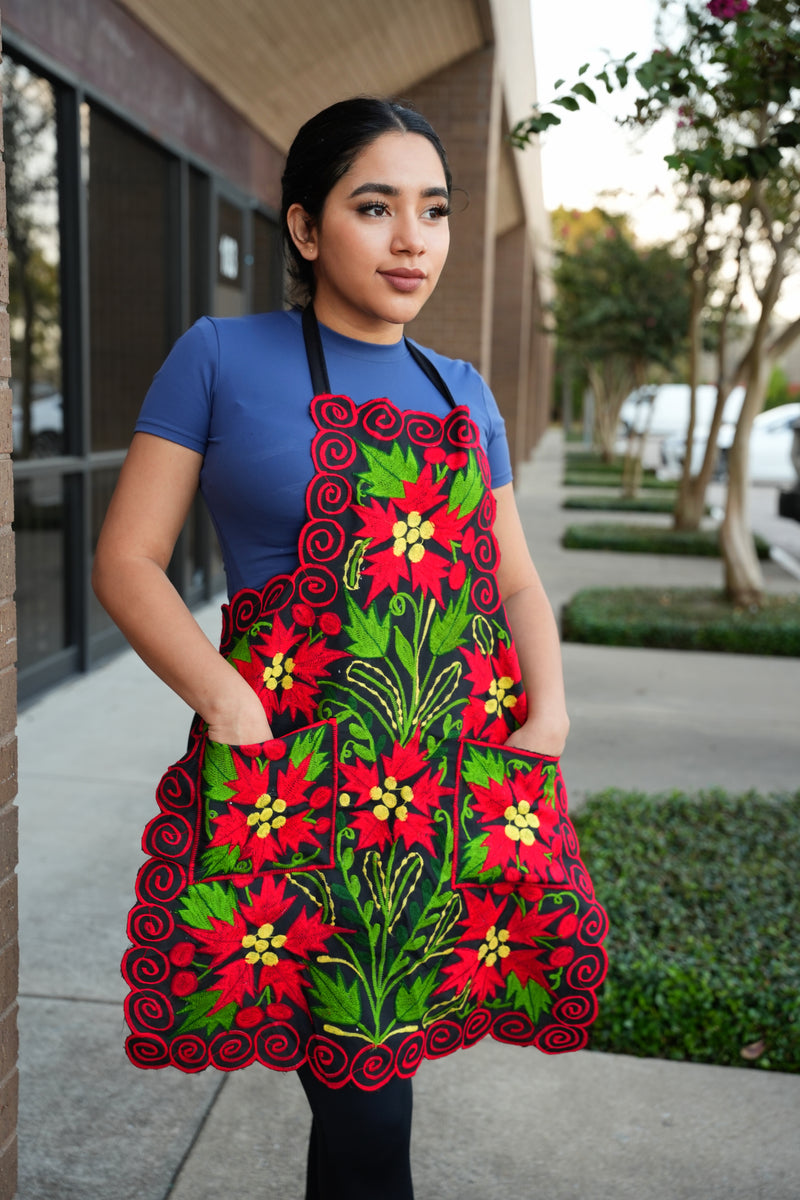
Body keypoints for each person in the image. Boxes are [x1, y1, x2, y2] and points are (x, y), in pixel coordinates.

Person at [94, 97, 606, 1200]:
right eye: (375, 208)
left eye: (434, 209)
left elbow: (514, 577)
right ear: (305, 227)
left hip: (447, 785)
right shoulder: (219, 357)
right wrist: (227, 702)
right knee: (366, 1098)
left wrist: (550, 711)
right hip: (298, 780)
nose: (412, 239)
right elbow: (128, 560)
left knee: (376, 1089)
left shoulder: (463, 390)